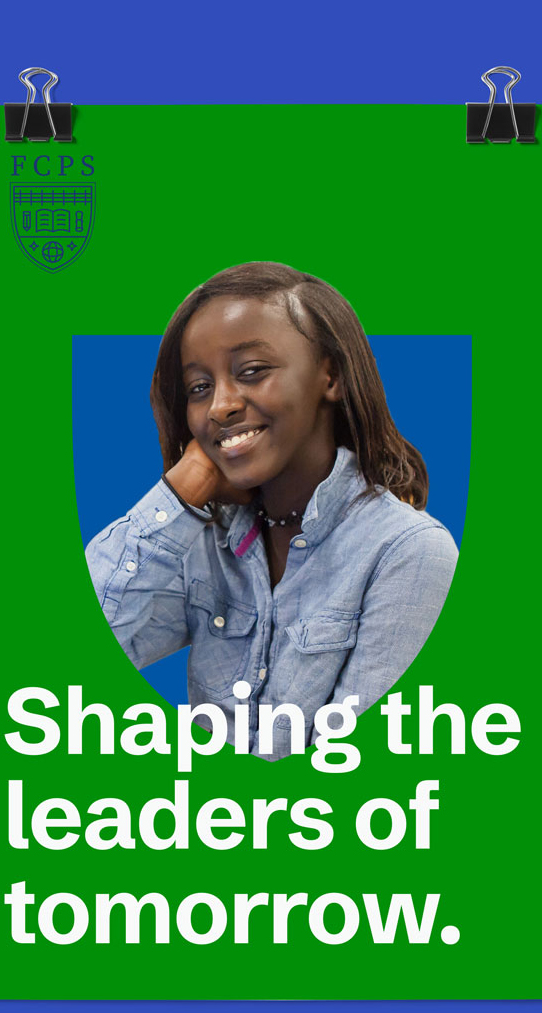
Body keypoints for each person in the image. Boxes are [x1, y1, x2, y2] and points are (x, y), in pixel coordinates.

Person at [86, 262, 457, 761]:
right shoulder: (199, 540)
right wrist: (179, 494)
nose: (219, 406)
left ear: (332, 375)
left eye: (252, 372)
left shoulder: (407, 553)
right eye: (199, 387)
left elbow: (360, 765)